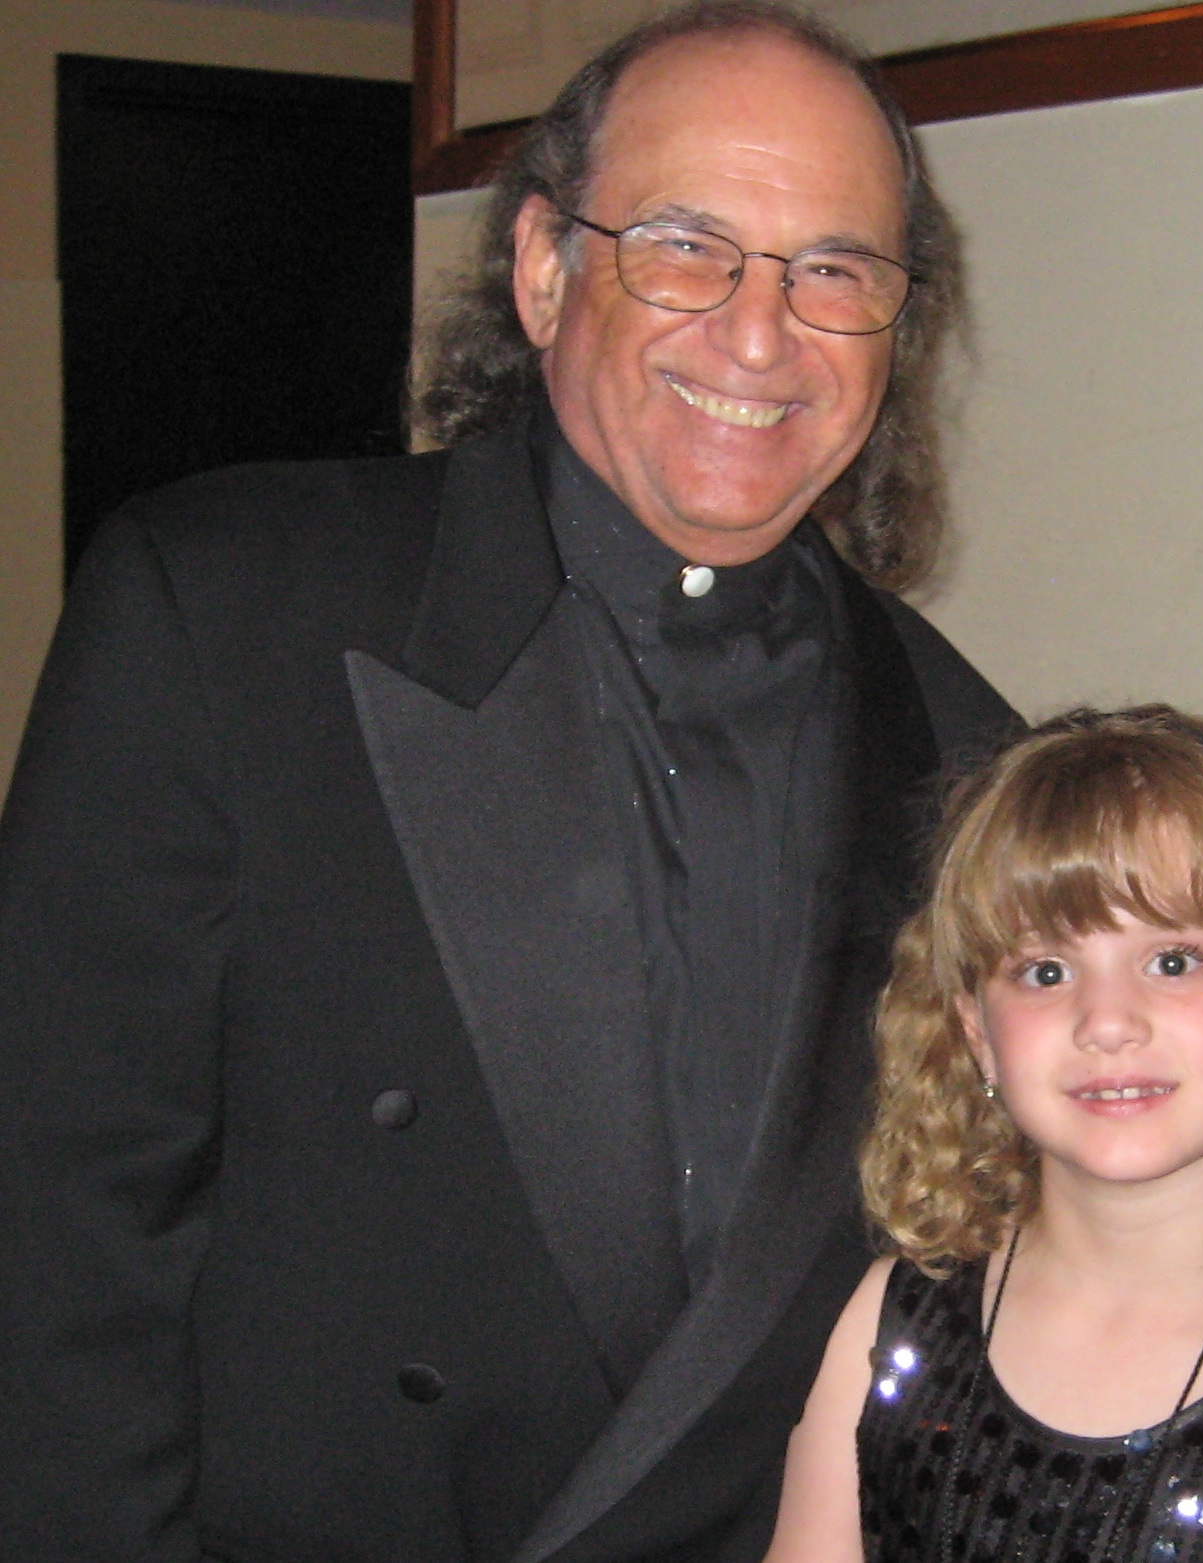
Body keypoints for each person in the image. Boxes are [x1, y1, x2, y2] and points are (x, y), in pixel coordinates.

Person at [0, 5, 1019, 1561]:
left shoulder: (971, 757)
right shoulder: (226, 610)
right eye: (686, 246)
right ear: (546, 271)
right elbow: (56, 1240)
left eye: (836, 270)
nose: (762, 334)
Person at [765, 707, 1203, 1563]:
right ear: (977, 1030)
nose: (1107, 1020)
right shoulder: (887, 1322)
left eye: (1172, 960)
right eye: (1046, 970)